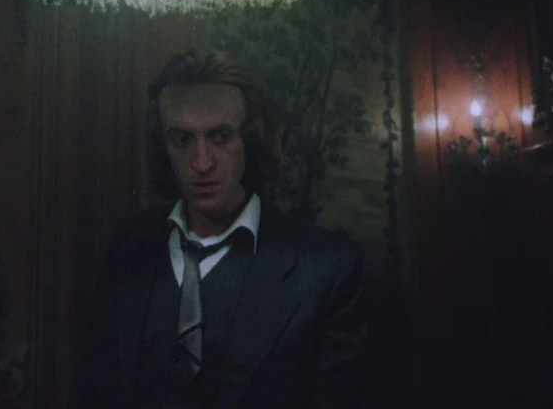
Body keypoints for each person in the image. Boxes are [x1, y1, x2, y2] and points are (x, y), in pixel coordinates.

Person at [69, 48, 367, 408]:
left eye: (221, 137)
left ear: (251, 139)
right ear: (164, 146)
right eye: (182, 140)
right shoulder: (129, 245)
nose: (201, 162)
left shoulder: (324, 266)